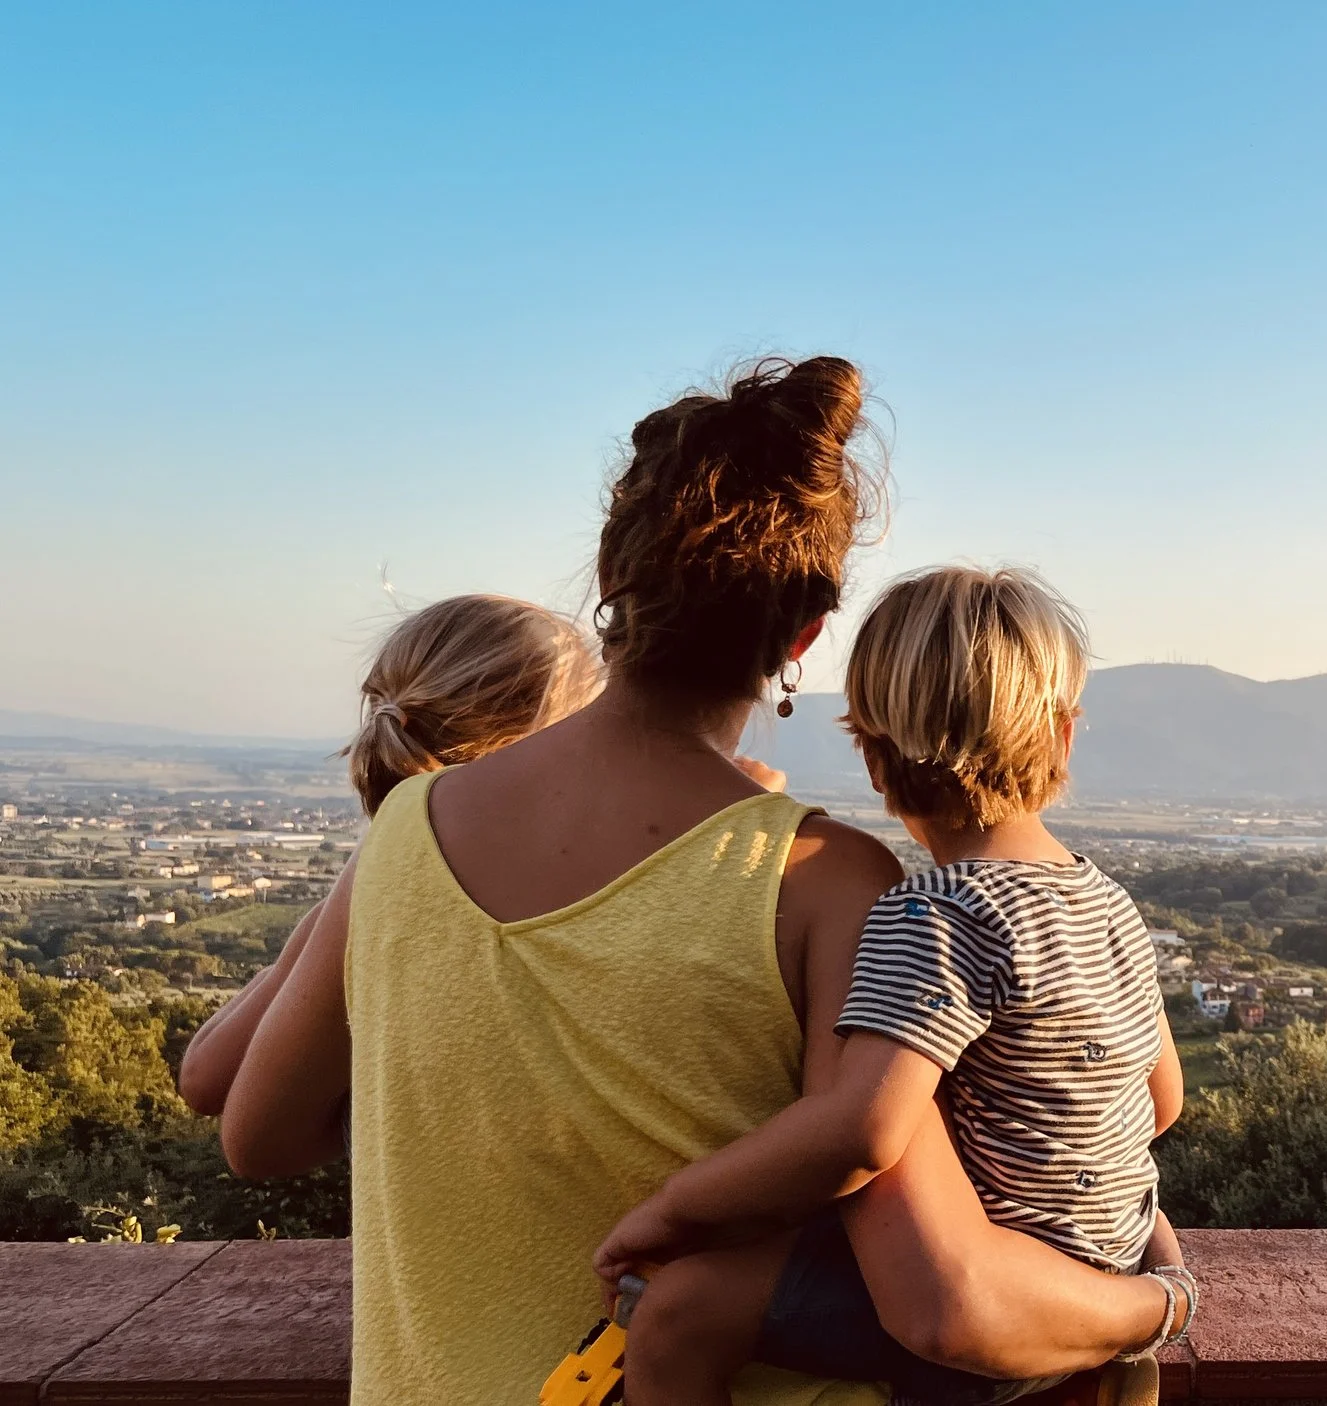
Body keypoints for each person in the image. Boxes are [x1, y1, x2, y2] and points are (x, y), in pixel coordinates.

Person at [220, 358, 1178, 1406]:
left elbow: (257, 1134)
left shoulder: (403, 829)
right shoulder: (828, 881)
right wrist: (1155, 1295)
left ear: (610, 583)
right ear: (806, 635)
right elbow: (945, 1282)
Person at [596, 567, 1195, 1406]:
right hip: (1102, 1282)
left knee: (681, 1314)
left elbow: (863, 1132)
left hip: (998, 1309)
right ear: (1062, 736)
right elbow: (1161, 1101)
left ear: (871, 754)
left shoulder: (936, 913)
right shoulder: (1105, 900)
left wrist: (675, 1210)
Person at [178, 592, 600, 1116]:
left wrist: (311, 940)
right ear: (542, 737)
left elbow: (203, 1075)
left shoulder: (395, 881)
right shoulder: (585, 880)